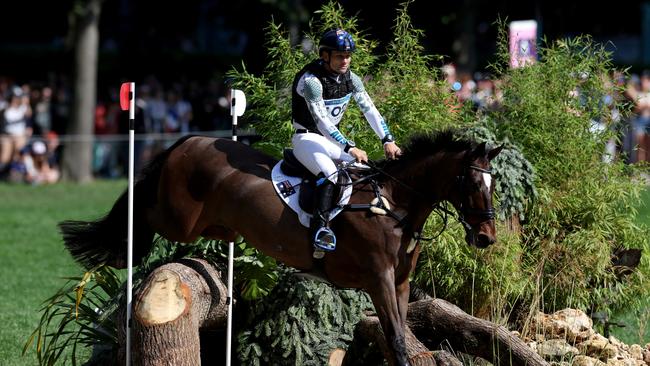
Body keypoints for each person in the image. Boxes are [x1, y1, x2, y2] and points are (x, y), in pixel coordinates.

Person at [291, 28, 401, 253]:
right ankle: (320, 231)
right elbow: (322, 122)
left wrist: (387, 139)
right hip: (306, 138)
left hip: (331, 143)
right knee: (330, 175)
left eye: (348, 56)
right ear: (325, 55)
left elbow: (370, 110)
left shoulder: (352, 79)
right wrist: (349, 147)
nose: (345, 60)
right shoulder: (311, 81)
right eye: (340, 56)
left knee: (364, 172)